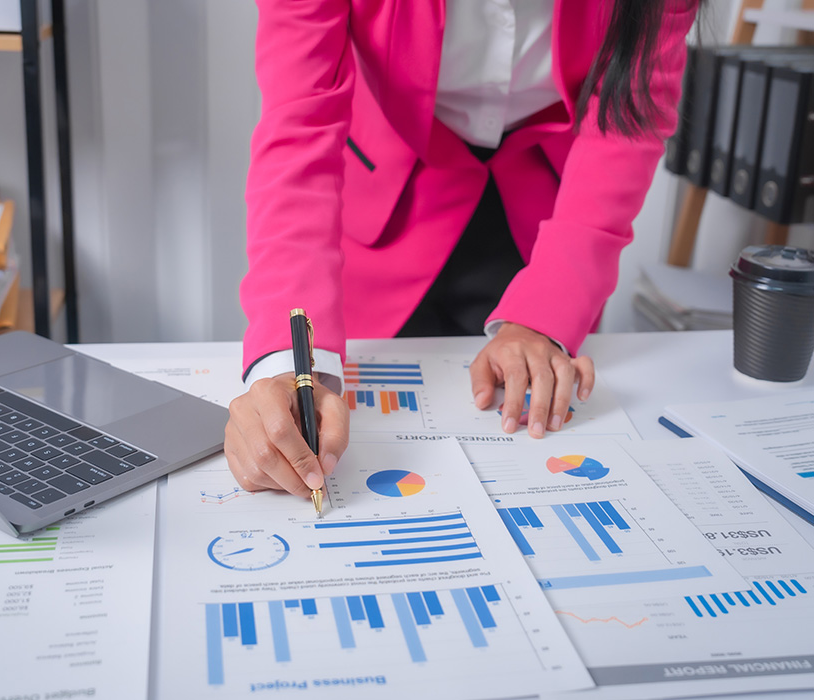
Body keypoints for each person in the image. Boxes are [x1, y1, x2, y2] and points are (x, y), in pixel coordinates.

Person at [225, 0, 700, 498]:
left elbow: (626, 123)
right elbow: (300, 123)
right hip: (388, 206)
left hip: (551, 223)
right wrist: (287, 367)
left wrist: (546, 313)